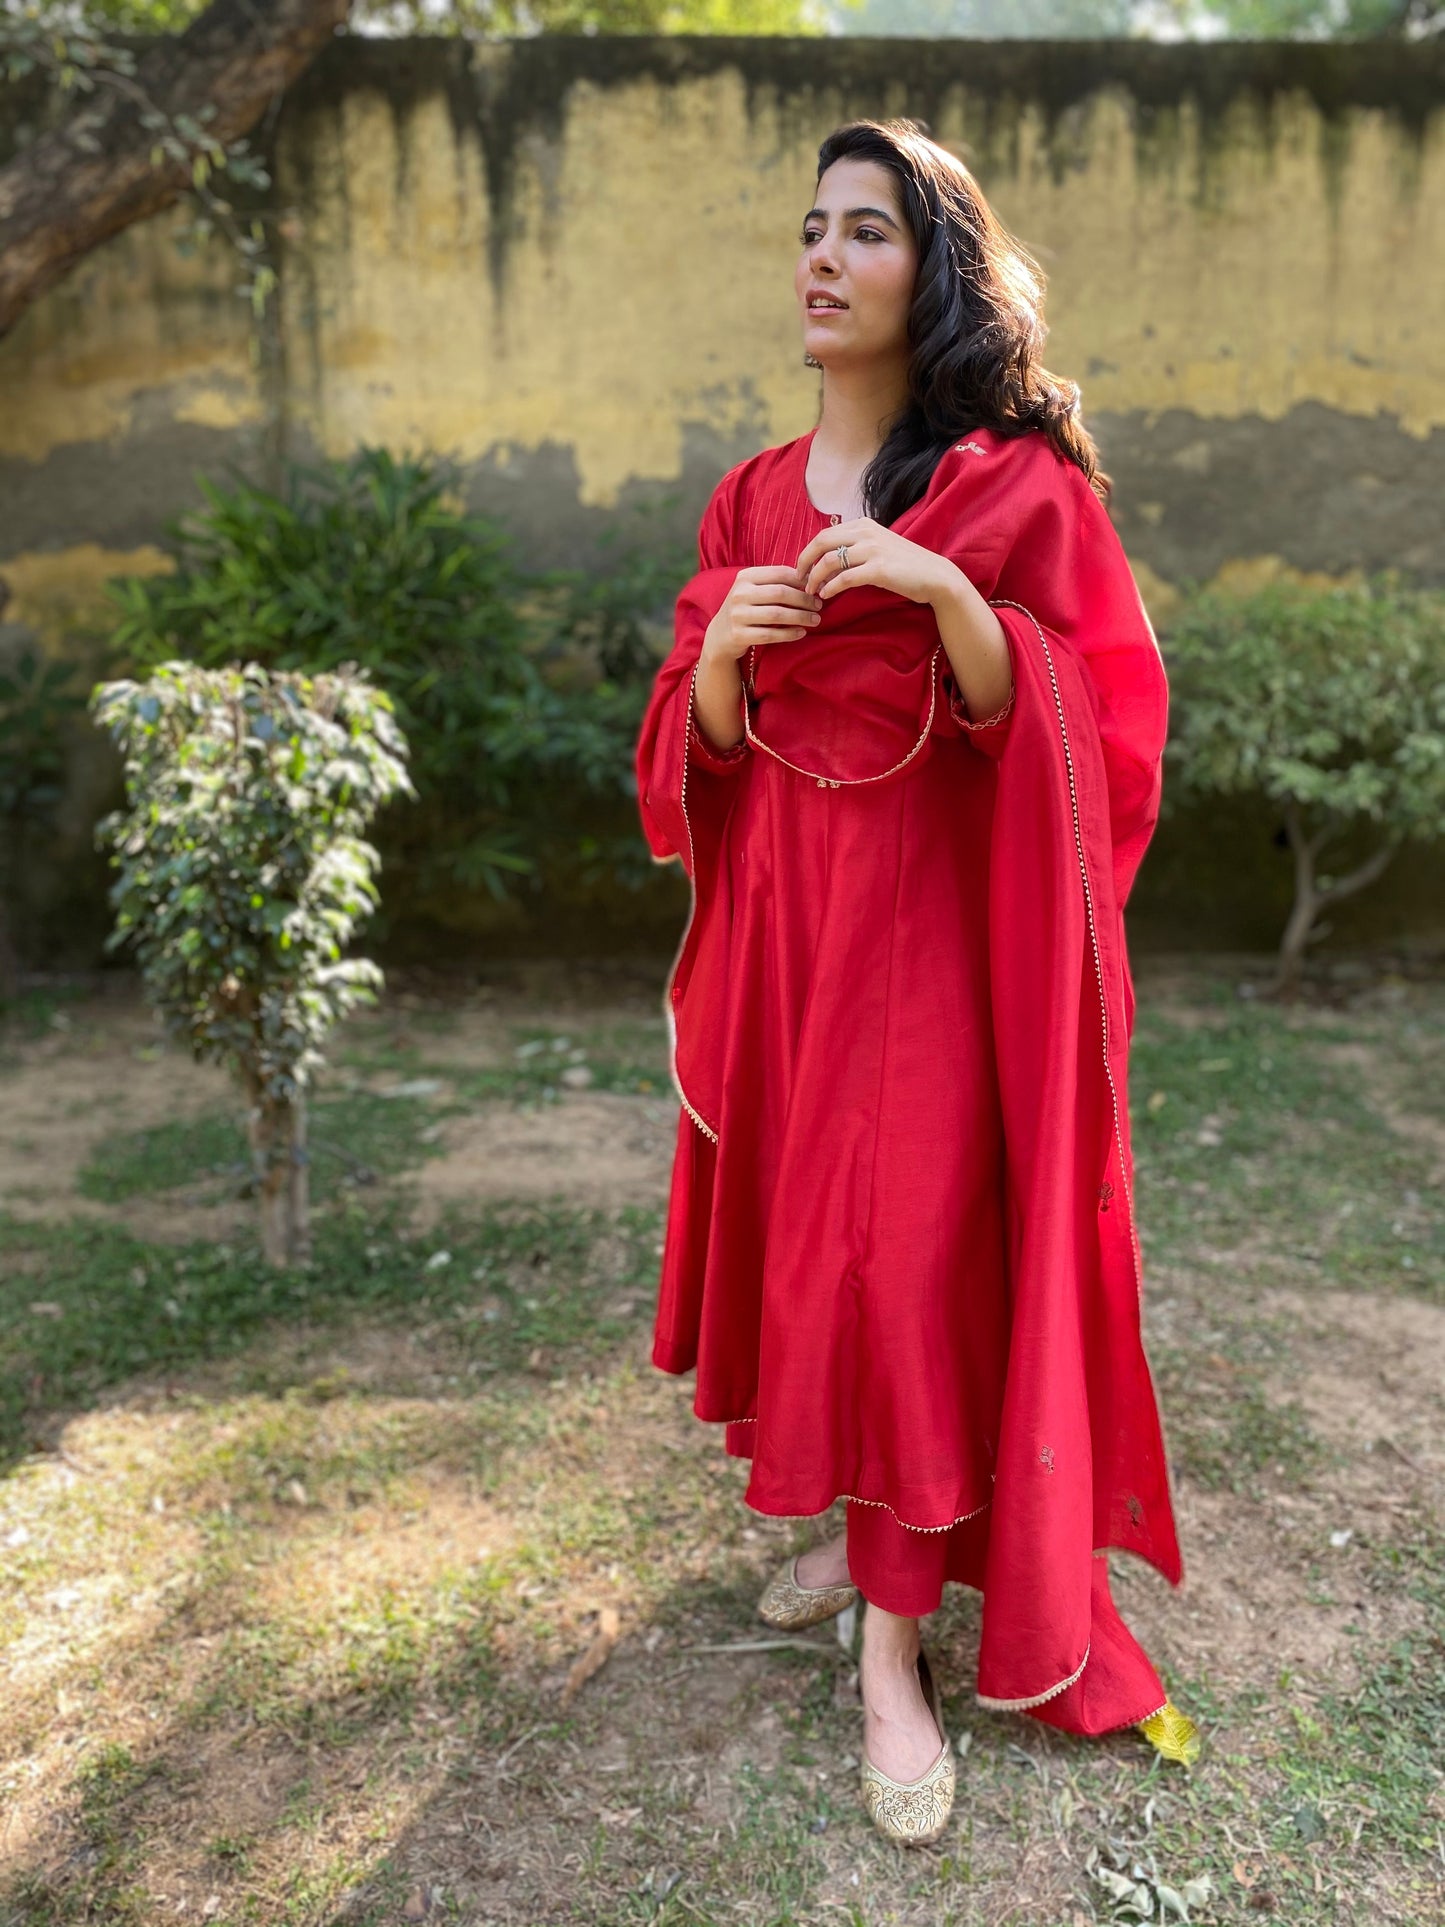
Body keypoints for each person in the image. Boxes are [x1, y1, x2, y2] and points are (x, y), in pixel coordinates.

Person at [633, 117, 1200, 1849]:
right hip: (793, 948)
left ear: (931, 267)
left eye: (864, 231)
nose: (821, 256)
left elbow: (1100, 725)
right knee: (815, 1250)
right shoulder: (744, 497)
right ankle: (874, 1520)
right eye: (809, 227)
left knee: (907, 1263)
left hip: (944, 954)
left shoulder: (1017, 490)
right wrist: (721, 662)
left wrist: (949, 589)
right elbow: (688, 754)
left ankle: (896, 1656)